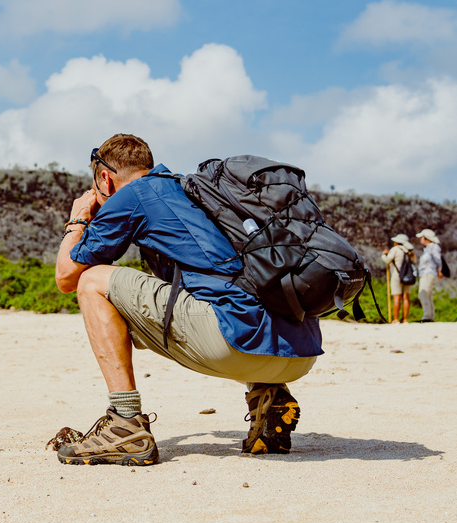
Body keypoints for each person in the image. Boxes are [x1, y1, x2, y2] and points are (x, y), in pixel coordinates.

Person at [52, 133, 321, 466]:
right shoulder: (197, 191)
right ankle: (271, 398)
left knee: (92, 281)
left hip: (235, 345)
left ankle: (125, 424)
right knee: (226, 290)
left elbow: (66, 277)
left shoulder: (132, 195)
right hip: (300, 350)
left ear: (104, 177)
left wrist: (78, 219)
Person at [381, 234, 415, 324]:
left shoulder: (395, 249)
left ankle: (395, 319)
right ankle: (405, 319)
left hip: (397, 275)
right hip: (408, 276)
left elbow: (387, 260)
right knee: (406, 297)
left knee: (397, 296)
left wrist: (384, 255)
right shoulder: (409, 251)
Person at [415, 229, 443, 323]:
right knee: (428, 294)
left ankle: (427, 316)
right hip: (425, 273)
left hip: (429, 273)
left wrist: (439, 270)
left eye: (422, 237)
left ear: (427, 238)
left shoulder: (433, 247)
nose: (420, 239)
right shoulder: (428, 248)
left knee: (423, 293)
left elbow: (438, 259)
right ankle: (430, 316)